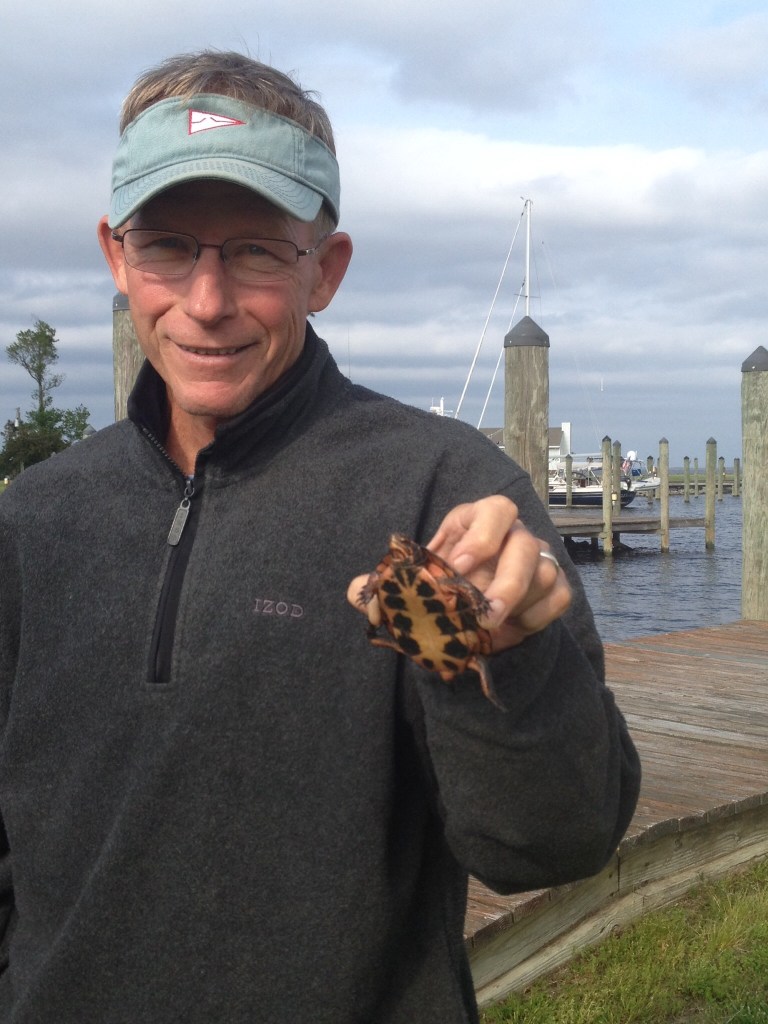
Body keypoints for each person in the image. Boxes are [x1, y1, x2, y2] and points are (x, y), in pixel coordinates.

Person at [0, 50, 640, 1024]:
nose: (207, 302)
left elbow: (553, 844)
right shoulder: (34, 520)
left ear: (326, 268)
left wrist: (515, 653)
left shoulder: (450, 494)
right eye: (169, 245)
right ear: (117, 257)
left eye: (257, 249)